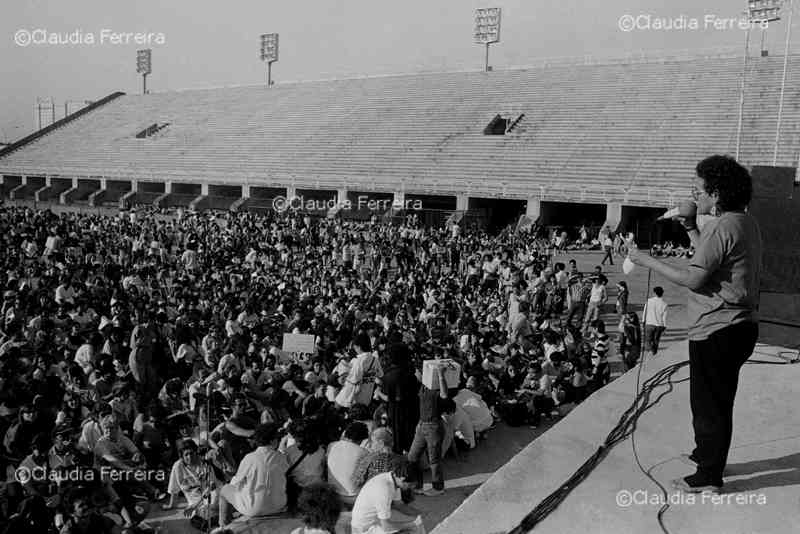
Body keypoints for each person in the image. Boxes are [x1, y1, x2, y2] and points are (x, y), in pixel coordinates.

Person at [629, 154, 761, 493]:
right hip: (736, 326)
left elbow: (693, 278)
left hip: (719, 327)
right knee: (716, 400)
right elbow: (708, 256)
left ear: (716, 194)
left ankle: (707, 478)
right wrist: (689, 226)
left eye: (699, 190)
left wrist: (646, 260)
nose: (695, 196)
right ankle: (708, 455)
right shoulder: (742, 222)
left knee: (708, 404)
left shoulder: (721, 226)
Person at [215, 423, 288, 532]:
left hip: (254, 508)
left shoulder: (249, 458)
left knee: (224, 490)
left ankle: (224, 528)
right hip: (278, 505)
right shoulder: (281, 457)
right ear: (273, 440)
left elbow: (235, 482)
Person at [350, 457, 423, 534]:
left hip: (373, 522)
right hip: (363, 530)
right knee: (411, 529)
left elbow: (399, 505)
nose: (411, 488)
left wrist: (419, 513)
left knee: (412, 523)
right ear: (402, 478)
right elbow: (386, 527)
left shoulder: (393, 479)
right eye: (411, 485)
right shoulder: (384, 490)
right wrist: (411, 524)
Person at [407, 364, 449, 497]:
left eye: (418, 371)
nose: (416, 373)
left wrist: (441, 375)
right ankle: (418, 485)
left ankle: (438, 487)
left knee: (434, 460)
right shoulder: (422, 386)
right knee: (412, 457)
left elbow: (444, 394)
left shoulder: (435, 388)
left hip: (433, 426)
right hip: (422, 425)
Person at [326, 422, 369, 503]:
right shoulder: (364, 453)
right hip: (353, 497)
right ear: (363, 438)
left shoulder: (331, 445)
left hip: (333, 493)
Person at [642, 286, 668, 356]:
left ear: (654, 293)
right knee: (656, 341)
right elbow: (664, 317)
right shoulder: (664, 304)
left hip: (649, 324)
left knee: (648, 340)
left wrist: (643, 320)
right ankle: (654, 354)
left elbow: (645, 311)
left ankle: (649, 352)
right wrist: (664, 326)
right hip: (659, 325)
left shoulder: (649, 301)